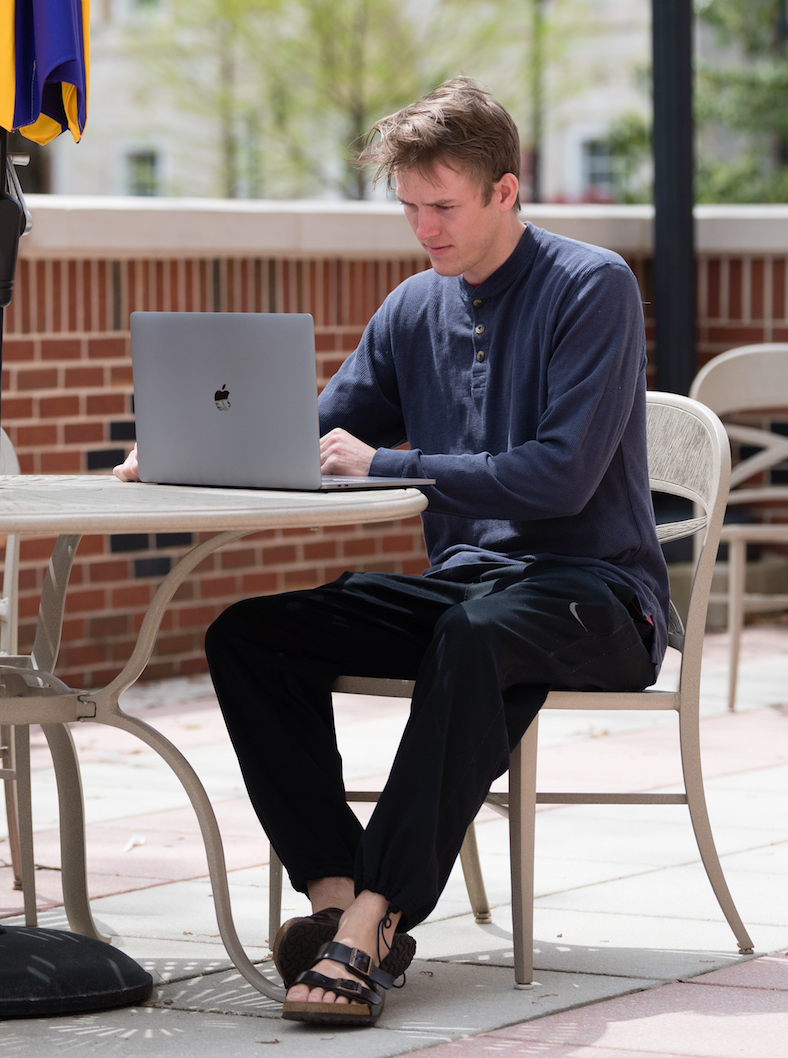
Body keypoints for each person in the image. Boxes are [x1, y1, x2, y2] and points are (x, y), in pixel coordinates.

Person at [116, 77, 667, 1028]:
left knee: (475, 637)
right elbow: (309, 432)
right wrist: (183, 448)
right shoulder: (414, 307)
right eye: (410, 207)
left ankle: (376, 918)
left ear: (505, 190)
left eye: (442, 206)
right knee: (252, 635)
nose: (424, 229)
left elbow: (562, 478)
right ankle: (335, 895)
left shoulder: (592, 286)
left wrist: (392, 463)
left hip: (600, 595)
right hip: (468, 594)